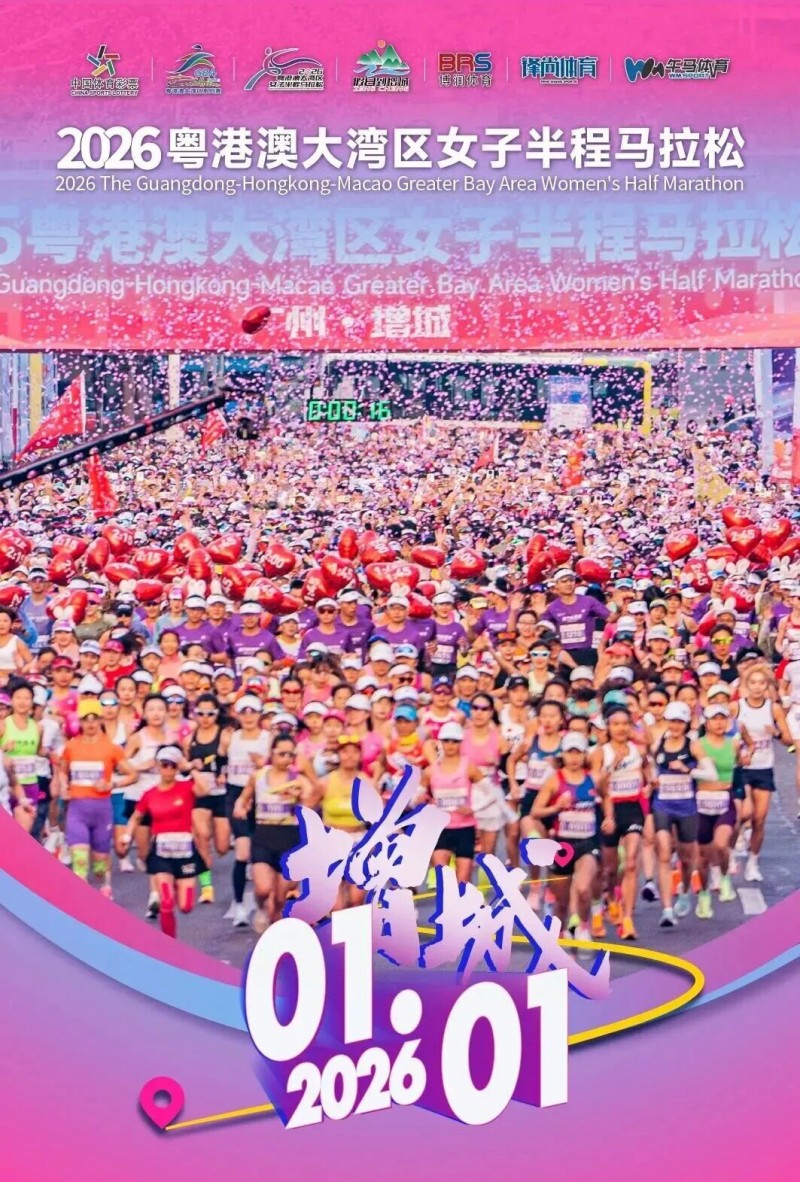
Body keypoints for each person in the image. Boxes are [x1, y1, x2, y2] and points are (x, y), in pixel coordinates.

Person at [119, 745, 211, 939]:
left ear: (177, 768)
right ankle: (169, 945)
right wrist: (127, 836)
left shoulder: (186, 788)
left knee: (185, 906)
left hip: (185, 853)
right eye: (164, 765)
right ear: (158, 766)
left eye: (172, 765)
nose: (168, 769)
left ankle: (178, 884)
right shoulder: (150, 794)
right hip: (161, 854)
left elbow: (205, 789)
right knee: (166, 902)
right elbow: (136, 817)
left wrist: (190, 768)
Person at [233, 734, 313, 932]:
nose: (286, 758)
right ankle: (260, 907)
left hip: (290, 838)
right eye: (281, 754)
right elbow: (243, 798)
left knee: (280, 898)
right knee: (263, 888)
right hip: (264, 835)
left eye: (290, 755)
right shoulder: (259, 776)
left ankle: (275, 933)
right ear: (271, 753)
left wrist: (299, 798)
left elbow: (311, 805)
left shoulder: (298, 780)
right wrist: (240, 808)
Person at [58, 699, 135, 898]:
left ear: (100, 720)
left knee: (99, 866)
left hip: (102, 811)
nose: (90, 723)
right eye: (86, 719)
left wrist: (112, 784)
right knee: (80, 861)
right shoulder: (71, 746)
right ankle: (82, 902)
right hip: (77, 810)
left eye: (94, 718)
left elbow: (132, 774)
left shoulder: (111, 748)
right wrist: (64, 786)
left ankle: (105, 886)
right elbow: (63, 771)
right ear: (80, 722)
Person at [650, 702, 718, 927]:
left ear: (686, 723)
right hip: (663, 805)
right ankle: (667, 910)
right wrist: (652, 781)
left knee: (687, 857)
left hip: (686, 807)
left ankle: (685, 890)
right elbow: (651, 769)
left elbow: (712, 774)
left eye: (680, 722)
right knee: (663, 851)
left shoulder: (693, 746)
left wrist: (688, 769)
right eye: (672, 721)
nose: (676, 726)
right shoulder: (658, 744)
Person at [532, 732, 600, 944]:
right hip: (561, 846)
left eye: (578, 753)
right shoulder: (554, 780)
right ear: (563, 755)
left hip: (587, 843)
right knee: (561, 903)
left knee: (583, 889)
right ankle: (560, 935)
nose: (574, 758)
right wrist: (556, 807)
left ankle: (584, 927)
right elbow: (535, 811)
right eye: (570, 752)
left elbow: (607, 797)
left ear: (584, 755)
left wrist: (609, 817)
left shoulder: (594, 779)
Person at [592, 707, 653, 941]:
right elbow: (596, 784)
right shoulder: (601, 752)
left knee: (631, 863)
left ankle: (628, 918)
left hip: (632, 808)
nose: (620, 728)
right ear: (608, 727)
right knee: (609, 868)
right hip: (608, 810)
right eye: (615, 724)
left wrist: (649, 784)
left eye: (625, 724)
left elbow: (646, 767)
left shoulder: (638, 749)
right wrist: (613, 765)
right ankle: (609, 897)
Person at [731, 666, 793, 882]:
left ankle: (753, 863)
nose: (757, 687)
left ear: (767, 686)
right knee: (744, 814)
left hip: (764, 767)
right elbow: (722, 732)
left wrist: (775, 733)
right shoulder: (736, 707)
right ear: (746, 686)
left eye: (762, 683)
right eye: (753, 683)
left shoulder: (773, 708)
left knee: (759, 819)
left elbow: (788, 739)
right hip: (741, 768)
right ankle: (732, 851)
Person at [225, 695, 271, 927]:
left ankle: (263, 904)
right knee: (242, 853)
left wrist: (264, 763)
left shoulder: (268, 738)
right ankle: (240, 905)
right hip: (237, 796)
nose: (249, 716)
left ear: (260, 714)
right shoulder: (230, 737)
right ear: (238, 715)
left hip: (262, 797)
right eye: (244, 712)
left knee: (261, 854)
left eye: (253, 711)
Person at [695, 704, 743, 918]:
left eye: (723, 718)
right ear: (706, 723)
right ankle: (704, 896)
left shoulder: (733, 745)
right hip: (701, 803)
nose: (719, 723)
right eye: (714, 719)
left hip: (725, 800)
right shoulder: (697, 745)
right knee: (703, 857)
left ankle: (724, 877)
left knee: (721, 844)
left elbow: (741, 762)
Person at [422, 722, 483, 885]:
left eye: (454, 741)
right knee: (443, 880)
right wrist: (424, 803)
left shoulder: (469, 768)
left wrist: (473, 808)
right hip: (441, 828)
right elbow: (417, 798)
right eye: (446, 740)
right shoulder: (430, 771)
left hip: (465, 828)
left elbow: (489, 794)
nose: (450, 745)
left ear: (460, 742)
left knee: (462, 883)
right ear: (440, 742)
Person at [186, 693, 232, 904]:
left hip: (220, 794)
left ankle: (211, 844)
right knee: (202, 836)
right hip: (199, 794)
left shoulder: (225, 735)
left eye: (210, 714)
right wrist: (191, 768)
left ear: (217, 714)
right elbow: (183, 765)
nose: (205, 718)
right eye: (201, 713)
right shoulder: (189, 738)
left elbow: (234, 760)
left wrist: (225, 773)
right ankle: (206, 887)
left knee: (222, 847)